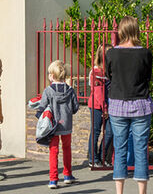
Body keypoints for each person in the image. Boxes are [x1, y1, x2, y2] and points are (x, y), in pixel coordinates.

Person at [106, 17, 153, 194]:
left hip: (118, 104)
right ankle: (142, 192)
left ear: (121, 31)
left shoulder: (111, 53)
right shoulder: (146, 53)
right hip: (141, 103)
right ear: (136, 30)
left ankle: (119, 192)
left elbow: (109, 76)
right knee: (141, 148)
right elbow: (147, 76)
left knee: (119, 148)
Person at [30, 60, 80, 188]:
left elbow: (42, 107)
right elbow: (75, 108)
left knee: (54, 151)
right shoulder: (70, 90)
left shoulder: (48, 91)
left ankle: (53, 179)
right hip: (66, 124)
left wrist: (39, 117)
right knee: (67, 149)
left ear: (52, 75)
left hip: (52, 125)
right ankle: (68, 175)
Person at [88, 45, 113, 168]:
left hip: (109, 106)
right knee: (96, 131)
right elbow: (98, 93)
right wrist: (105, 108)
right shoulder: (96, 71)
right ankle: (93, 159)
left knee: (110, 132)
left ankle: (103, 158)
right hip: (97, 106)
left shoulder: (110, 70)